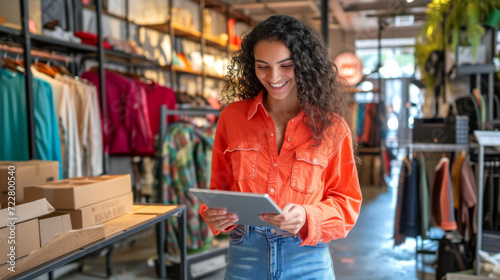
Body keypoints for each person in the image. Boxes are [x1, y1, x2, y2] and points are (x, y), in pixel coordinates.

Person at [199, 15, 362, 279]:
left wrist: (307, 216)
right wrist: (214, 214)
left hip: (307, 256)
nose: (274, 77)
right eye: (263, 66)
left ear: (305, 65)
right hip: (246, 254)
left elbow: (347, 204)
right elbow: (219, 189)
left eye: (286, 65)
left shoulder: (333, 127)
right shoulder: (232, 118)